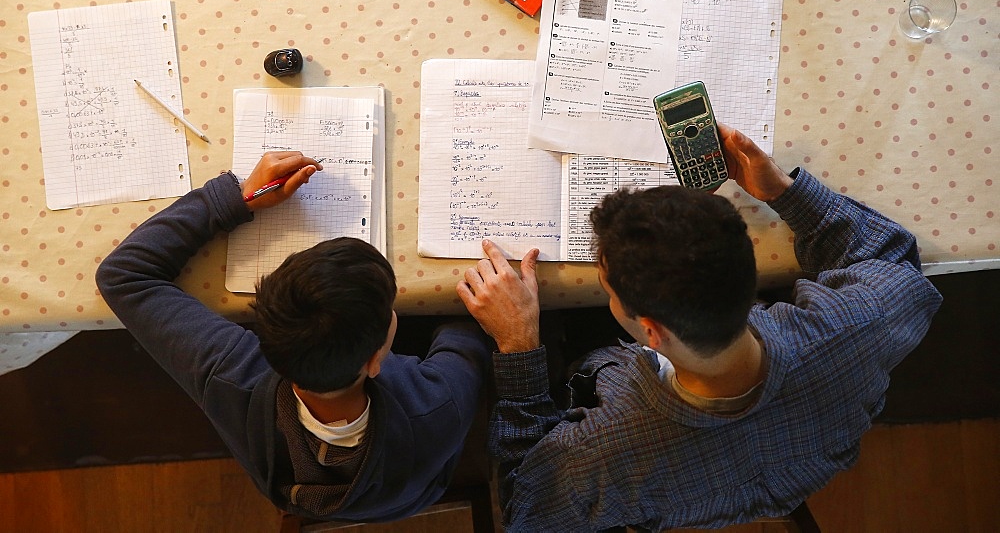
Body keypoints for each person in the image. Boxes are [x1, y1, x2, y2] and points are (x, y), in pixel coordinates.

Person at [457, 124, 943, 531]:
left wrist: (518, 345)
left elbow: (525, 507)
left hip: (672, 476)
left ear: (650, 332)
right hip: (791, 454)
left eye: (607, 290)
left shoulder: (599, 455)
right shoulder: (855, 327)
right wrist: (782, 193)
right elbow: (889, 258)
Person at [96, 151, 492, 523]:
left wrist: (236, 200)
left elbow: (123, 274)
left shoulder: (230, 372)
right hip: (415, 487)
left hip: (306, 489)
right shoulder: (437, 405)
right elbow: (470, 334)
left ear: (264, 334)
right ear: (375, 361)